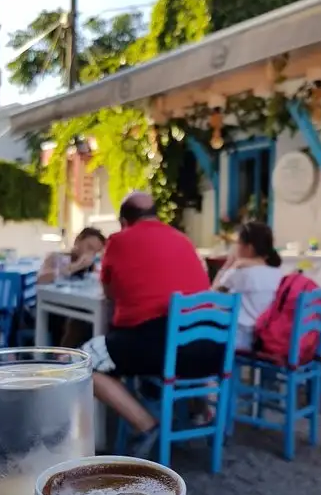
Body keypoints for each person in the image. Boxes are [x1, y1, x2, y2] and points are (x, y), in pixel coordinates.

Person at [80, 191, 221, 457]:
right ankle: (197, 409)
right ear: (156, 214)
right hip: (211, 348)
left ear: (124, 221)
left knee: (84, 362)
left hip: (164, 346)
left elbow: (109, 293)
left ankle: (144, 423)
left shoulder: (119, 241)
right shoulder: (183, 239)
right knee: (155, 342)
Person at [214, 221, 283, 349]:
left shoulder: (242, 273)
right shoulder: (278, 272)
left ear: (249, 248)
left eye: (238, 242)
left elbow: (213, 294)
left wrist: (229, 265)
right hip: (265, 335)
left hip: (241, 338)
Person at [37, 227, 106, 347]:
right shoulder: (56, 257)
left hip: (78, 307)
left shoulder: (91, 267)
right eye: (89, 247)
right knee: (77, 321)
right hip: (52, 307)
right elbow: (40, 279)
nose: (90, 254)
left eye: (95, 252)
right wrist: (76, 266)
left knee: (85, 320)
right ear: (78, 241)